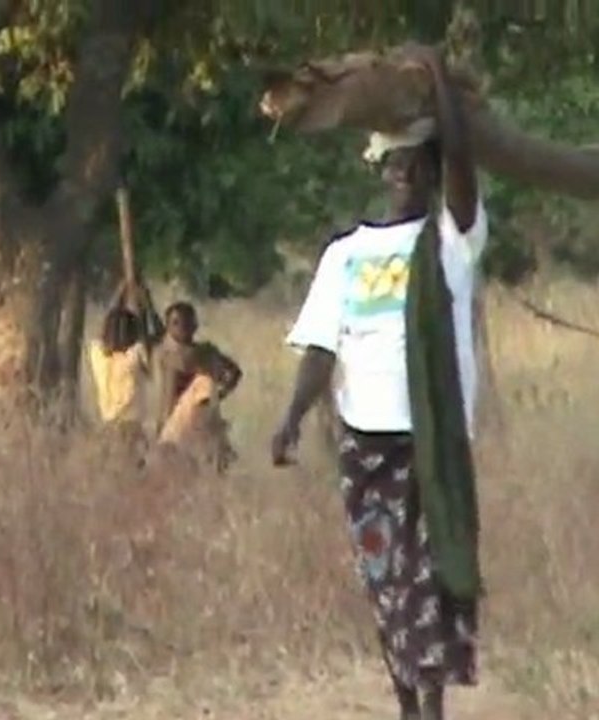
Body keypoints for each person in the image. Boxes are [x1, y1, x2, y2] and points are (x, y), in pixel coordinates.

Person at [271, 45, 486, 720]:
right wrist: (291, 417)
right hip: (365, 444)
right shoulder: (347, 254)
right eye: (393, 162)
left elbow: (462, 166)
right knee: (386, 585)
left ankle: (431, 708)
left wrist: (438, 80)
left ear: (429, 171)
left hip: (431, 441)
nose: (403, 172)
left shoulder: (454, 241)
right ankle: (406, 705)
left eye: (415, 163)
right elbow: (319, 347)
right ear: (380, 169)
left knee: (431, 578)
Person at [155, 301, 242, 471]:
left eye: (186, 322)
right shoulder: (167, 354)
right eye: (176, 323)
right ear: (168, 327)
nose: (182, 327)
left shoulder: (203, 352)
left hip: (201, 422)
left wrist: (217, 396)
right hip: (174, 423)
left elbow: (235, 372)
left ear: (194, 324)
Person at [87, 277, 162, 447]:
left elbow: (108, 319)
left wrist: (122, 288)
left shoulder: (99, 356)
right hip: (131, 430)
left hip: (107, 427)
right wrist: (148, 304)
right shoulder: (134, 356)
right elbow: (159, 335)